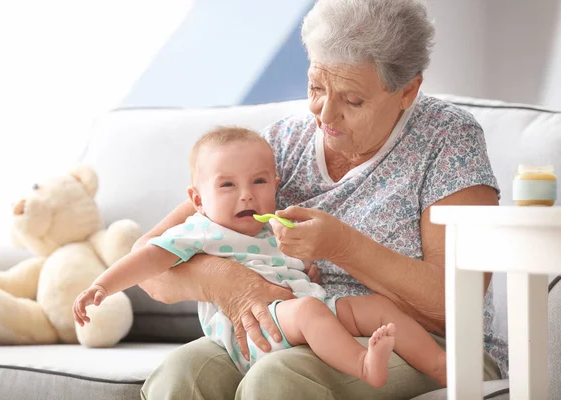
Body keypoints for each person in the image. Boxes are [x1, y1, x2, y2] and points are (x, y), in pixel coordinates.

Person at [137, 0, 507, 398]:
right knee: (180, 374)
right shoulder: (278, 145)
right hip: (294, 327)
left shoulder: (447, 139)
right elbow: (148, 263)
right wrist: (228, 281)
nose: (325, 115)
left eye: (352, 100)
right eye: (316, 88)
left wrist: (343, 246)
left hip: (424, 344)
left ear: (407, 91)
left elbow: (456, 301)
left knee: (278, 378)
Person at [73, 127, 447, 388]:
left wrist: (308, 270)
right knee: (309, 312)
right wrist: (102, 285)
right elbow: (148, 259)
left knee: (375, 306)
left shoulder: (274, 228)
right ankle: (363, 366)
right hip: (255, 335)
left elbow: (300, 274)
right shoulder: (200, 229)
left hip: (302, 312)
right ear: (198, 199)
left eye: (259, 182)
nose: (247, 196)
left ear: (275, 185)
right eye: (227, 185)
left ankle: (441, 365)